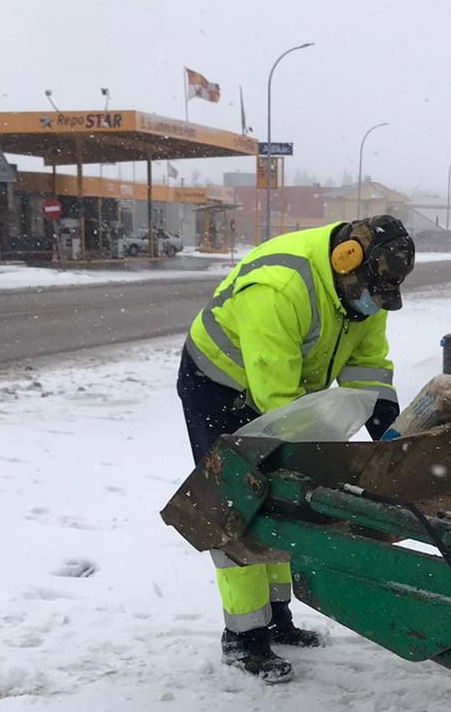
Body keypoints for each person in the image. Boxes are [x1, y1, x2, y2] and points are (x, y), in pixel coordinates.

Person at [177, 214, 415, 681]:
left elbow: (368, 367)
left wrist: (389, 434)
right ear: (346, 262)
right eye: (367, 294)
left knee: (285, 504)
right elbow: (276, 400)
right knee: (238, 506)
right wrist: (321, 452)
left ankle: (278, 619)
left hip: (284, 392)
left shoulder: (366, 290)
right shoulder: (279, 288)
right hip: (220, 389)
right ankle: (243, 638)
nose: (372, 305)